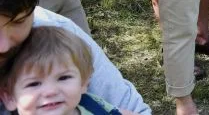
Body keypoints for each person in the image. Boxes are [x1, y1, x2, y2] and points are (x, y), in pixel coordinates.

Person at [0, 0, 151, 115]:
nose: (4, 46)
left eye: (19, 21)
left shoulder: (56, 35)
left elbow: (134, 109)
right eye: (33, 83)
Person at [0, 26, 135, 115]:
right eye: (33, 84)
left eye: (63, 78)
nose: (51, 91)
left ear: (84, 83)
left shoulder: (90, 104)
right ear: (9, 97)